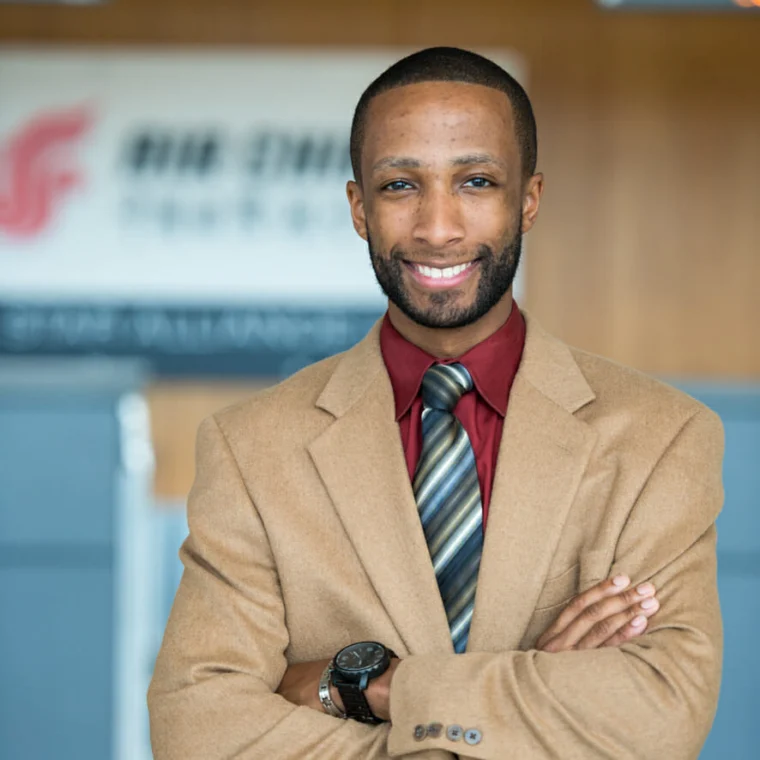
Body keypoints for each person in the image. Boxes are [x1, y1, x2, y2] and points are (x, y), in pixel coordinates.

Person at [148, 47, 724, 759]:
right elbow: (196, 731)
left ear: (530, 199)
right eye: (399, 186)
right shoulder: (249, 448)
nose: (438, 227)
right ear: (359, 208)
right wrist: (535, 686)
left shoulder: (662, 439)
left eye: (476, 181)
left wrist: (370, 689)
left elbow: (659, 720)